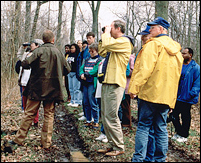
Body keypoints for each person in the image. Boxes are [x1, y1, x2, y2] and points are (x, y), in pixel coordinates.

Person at [128, 17, 184, 162]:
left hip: (150, 94)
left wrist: (134, 88)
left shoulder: (153, 45)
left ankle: (138, 159)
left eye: (153, 27)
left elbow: (145, 69)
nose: (150, 30)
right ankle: (160, 159)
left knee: (143, 127)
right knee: (161, 128)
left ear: (161, 29)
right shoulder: (177, 51)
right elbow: (176, 77)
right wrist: (172, 101)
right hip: (166, 97)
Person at [10, 30, 71, 149]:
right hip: (53, 88)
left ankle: (18, 140)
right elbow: (67, 69)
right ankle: (46, 143)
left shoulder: (38, 51)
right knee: (49, 115)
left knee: (29, 114)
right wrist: (58, 73)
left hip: (36, 88)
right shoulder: (58, 52)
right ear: (53, 40)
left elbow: (26, 63)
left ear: (43, 40)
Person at [97, 20, 134, 156]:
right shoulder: (113, 43)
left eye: (111, 28)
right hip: (108, 80)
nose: (109, 30)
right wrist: (104, 35)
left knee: (112, 116)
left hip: (116, 83)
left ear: (118, 28)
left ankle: (119, 146)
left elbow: (107, 44)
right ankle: (112, 145)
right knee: (105, 115)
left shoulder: (124, 42)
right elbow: (102, 51)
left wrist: (106, 35)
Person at [169, 48, 200, 143]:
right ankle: (179, 132)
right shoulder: (179, 65)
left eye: (184, 53)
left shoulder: (195, 67)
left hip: (187, 97)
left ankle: (184, 135)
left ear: (190, 55)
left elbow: (197, 82)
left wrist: (192, 93)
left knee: (185, 116)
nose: (182, 55)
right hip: (177, 95)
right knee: (173, 115)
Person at [135, 25, 155, 162]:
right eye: (142, 36)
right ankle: (148, 156)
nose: (143, 38)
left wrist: (134, 88)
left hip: (150, 93)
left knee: (147, 127)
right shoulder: (142, 50)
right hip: (144, 93)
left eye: (146, 36)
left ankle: (145, 157)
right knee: (150, 128)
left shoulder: (151, 49)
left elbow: (144, 72)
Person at [18, 39, 44, 128]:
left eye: (32, 44)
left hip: (31, 82)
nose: (31, 45)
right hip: (23, 81)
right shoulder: (27, 54)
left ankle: (35, 121)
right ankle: (26, 121)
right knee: (24, 102)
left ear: (37, 45)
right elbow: (20, 56)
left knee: (33, 103)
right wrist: (22, 47)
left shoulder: (38, 55)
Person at [79, 43, 102, 128]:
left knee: (92, 102)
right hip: (85, 83)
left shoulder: (99, 60)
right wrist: (81, 74)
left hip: (92, 82)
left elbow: (95, 70)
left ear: (96, 51)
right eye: (89, 51)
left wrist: (86, 74)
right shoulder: (87, 59)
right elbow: (82, 67)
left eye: (92, 51)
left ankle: (95, 121)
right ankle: (88, 120)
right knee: (86, 102)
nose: (90, 52)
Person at [77, 32, 96, 121]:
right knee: (85, 98)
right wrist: (81, 73)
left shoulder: (96, 48)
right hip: (83, 76)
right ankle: (86, 114)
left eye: (90, 38)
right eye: (87, 38)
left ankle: (93, 116)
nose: (88, 39)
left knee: (91, 98)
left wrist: (87, 75)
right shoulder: (85, 49)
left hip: (91, 78)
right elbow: (83, 62)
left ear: (94, 38)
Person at [16, 43, 31, 112]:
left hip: (31, 80)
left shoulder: (35, 56)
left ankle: (28, 109)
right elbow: (19, 55)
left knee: (29, 97)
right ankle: (24, 108)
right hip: (23, 80)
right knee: (23, 96)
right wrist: (22, 47)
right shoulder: (24, 57)